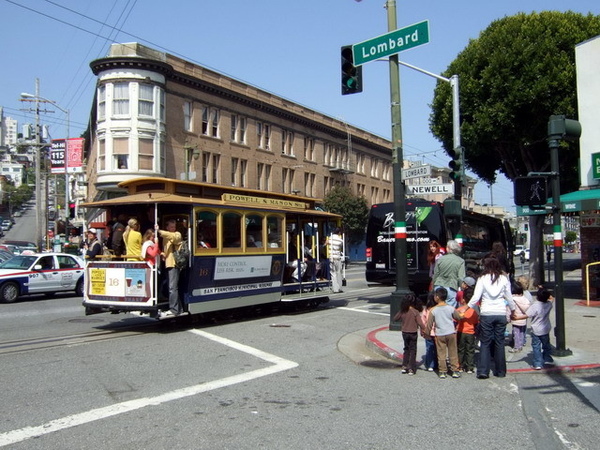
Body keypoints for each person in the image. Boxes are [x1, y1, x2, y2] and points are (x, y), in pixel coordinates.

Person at [467, 257, 517, 379]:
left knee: (485, 342)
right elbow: (509, 297)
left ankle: (483, 370)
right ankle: (500, 371)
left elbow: (476, 296)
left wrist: (467, 307)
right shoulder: (503, 278)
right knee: (499, 342)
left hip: (487, 313)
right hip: (500, 312)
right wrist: (513, 309)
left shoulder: (482, 279)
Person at [425, 287, 463, 379]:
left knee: (441, 353)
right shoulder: (451, 308)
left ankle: (442, 371)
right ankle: (455, 370)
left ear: (437, 297)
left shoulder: (433, 310)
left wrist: (427, 334)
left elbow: (429, 324)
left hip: (440, 334)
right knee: (453, 352)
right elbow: (458, 317)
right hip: (451, 332)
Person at [515, 287, 554, 370]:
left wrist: (516, 318)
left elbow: (527, 315)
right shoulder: (549, 304)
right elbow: (551, 298)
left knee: (536, 346)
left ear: (537, 297)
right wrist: (544, 291)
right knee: (546, 345)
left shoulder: (535, 305)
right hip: (545, 328)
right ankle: (547, 358)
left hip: (536, 329)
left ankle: (537, 363)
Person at [393, 293, 425, 375]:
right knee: (413, 350)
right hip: (413, 332)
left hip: (404, 332)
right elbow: (420, 323)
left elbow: (395, 318)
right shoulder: (415, 312)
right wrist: (424, 328)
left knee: (406, 349)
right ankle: (411, 368)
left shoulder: (403, 311)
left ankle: (404, 366)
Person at [156, 220, 183, 317]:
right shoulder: (165, 237)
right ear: (167, 227)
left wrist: (159, 231)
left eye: (174, 226)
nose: (173, 228)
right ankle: (178, 308)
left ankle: (174, 310)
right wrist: (163, 254)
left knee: (172, 288)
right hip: (167, 263)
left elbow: (174, 238)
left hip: (174, 264)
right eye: (171, 227)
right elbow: (166, 250)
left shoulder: (177, 234)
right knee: (171, 287)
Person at [432, 240, 465, 308]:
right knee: (449, 309)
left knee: (438, 307)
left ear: (448, 248)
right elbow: (461, 277)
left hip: (439, 285)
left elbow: (436, 274)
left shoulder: (441, 259)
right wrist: (461, 288)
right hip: (451, 286)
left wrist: (433, 285)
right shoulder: (460, 261)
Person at [456, 284, 478, 374]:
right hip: (471, 332)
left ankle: (460, 365)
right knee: (470, 350)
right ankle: (470, 367)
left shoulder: (459, 309)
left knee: (461, 349)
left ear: (464, 300)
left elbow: (455, 319)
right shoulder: (473, 311)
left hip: (461, 331)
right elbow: (476, 321)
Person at [508, 280, 530, 353]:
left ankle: (517, 347)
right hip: (523, 319)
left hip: (516, 318)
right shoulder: (524, 298)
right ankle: (521, 343)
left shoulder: (513, 299)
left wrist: (508, 318)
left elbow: (510, 309)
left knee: (516, 333)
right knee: (522, 332)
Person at [420, 292, 438, 372]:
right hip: (438, 332)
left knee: (429, 349)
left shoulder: (427, 309)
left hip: (428, 332)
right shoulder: (438, 308)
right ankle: (437, 364)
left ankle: (430, 365)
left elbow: (423, 321)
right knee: (437, 349)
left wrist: (422, 330)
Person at [326, 227, 344, 293]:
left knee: (333, 274)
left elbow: (326, 244)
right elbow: (340, 247)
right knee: (339, 272)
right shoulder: (340, 240)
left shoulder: (329, 239)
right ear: (339, 232)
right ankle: (340, 288)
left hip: (331, 258)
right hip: (338, 258)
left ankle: (335, 289)